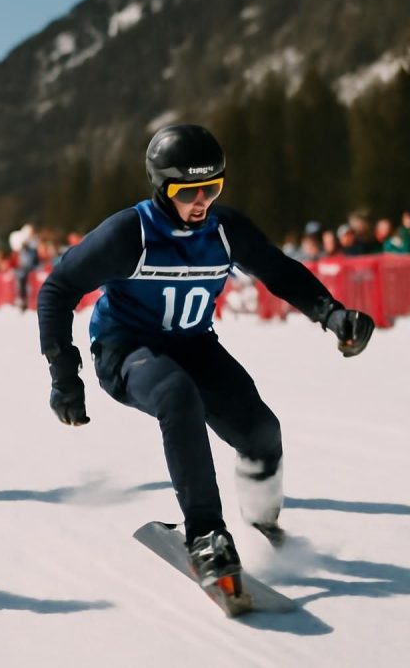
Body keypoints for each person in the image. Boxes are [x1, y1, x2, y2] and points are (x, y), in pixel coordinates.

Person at [37, 124, 374, 590]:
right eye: (188, 190)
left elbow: (278, 270)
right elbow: (57, 289)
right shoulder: (128, 234)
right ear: (161, 186)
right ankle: (206, 534)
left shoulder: (224, 229)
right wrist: (64, 375)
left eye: (212, 187)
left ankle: (262, 525)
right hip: (126, 349)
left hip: (194, 345)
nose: (201, 201)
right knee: (177, 396)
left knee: (261, 432)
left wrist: (333, 315)